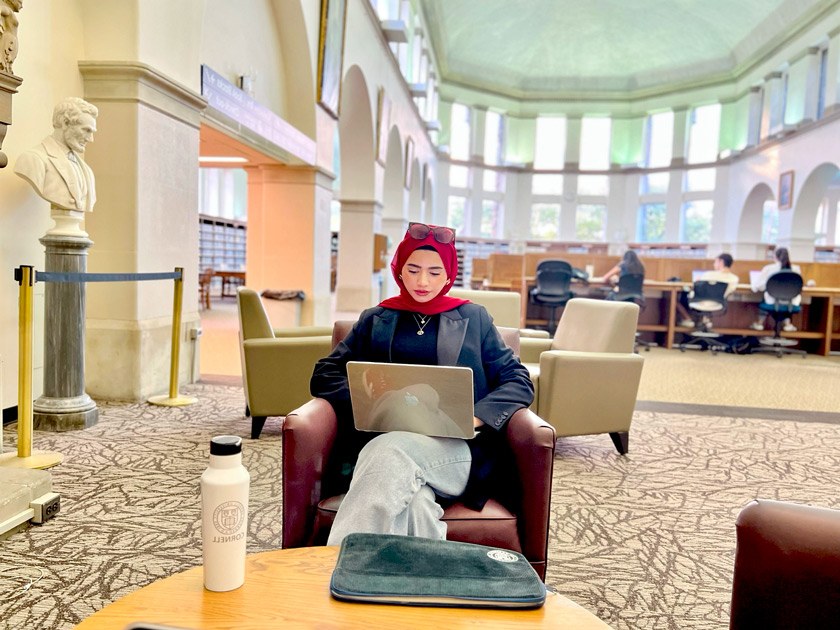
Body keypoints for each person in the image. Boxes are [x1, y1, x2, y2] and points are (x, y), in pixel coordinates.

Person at [310, 222, 534, 546]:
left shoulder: (474, 319)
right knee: (414, 501)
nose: (422, 281)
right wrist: (367, 401)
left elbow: (518, 380)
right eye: (413, 270)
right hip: (389, 439)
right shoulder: (376, 318)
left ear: (448, 274)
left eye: (433, 271)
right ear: (399, 270)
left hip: (454, 450)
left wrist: (474, 417)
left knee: (388, 451)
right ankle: (427, 580)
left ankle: (333, 566)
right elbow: (324, 374)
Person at [15, 96, 98, 214]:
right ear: (65, 123)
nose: (90, 139)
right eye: (86, 130)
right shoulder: (33, 159)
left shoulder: (87, 171)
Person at [676, 253, 740, 328]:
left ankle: (687, 319)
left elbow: (697, 288)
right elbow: (729, 291)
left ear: (721, 262)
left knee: (679, 296)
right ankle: (705, 320)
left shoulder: (708, 274)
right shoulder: (734, 278)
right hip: (718, 304)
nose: (714, 265)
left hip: (699, 302)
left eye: (715, 262)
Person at [750, 247, 802, 332]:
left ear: (775, 257)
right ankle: (788, 324)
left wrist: (755, 286)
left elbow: (758, 287)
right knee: (785, 300)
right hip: (791, 303)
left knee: (765, 298)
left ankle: (759, 323)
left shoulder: (769, 268)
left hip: (771, 302)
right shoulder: (796, 269)